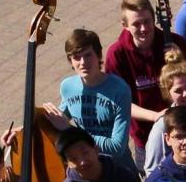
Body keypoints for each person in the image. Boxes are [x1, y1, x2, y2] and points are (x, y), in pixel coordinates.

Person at [107, 0, 186, 157]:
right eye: (136, 24)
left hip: (184, 131)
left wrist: (182, 62)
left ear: (154, 19)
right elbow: (120, 104)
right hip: (145, 138)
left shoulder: (175, 43)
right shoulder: (116, 54)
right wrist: (156, 117)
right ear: (124, 25)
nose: (143, 28)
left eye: (147, 21)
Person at [46, 28, 133, 163]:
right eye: (76, 57)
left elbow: (117, 147)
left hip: (116, 170)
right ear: (70, 61)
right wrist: (21, 132)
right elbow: (56, 120)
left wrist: (71, 131)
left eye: (88, 55)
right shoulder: (67, 87)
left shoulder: (120, 90)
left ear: (98, 56)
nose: (83, 62)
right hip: (84, 165)